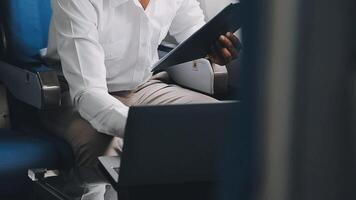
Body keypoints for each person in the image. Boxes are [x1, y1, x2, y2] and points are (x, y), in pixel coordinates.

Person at [42, 0, 240, 176]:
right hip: (71, 94)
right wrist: (145, 127)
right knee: (108, 149)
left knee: (218, 123)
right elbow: (88, 93)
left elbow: (195, 33)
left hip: (143, 86)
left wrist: (213, 50)